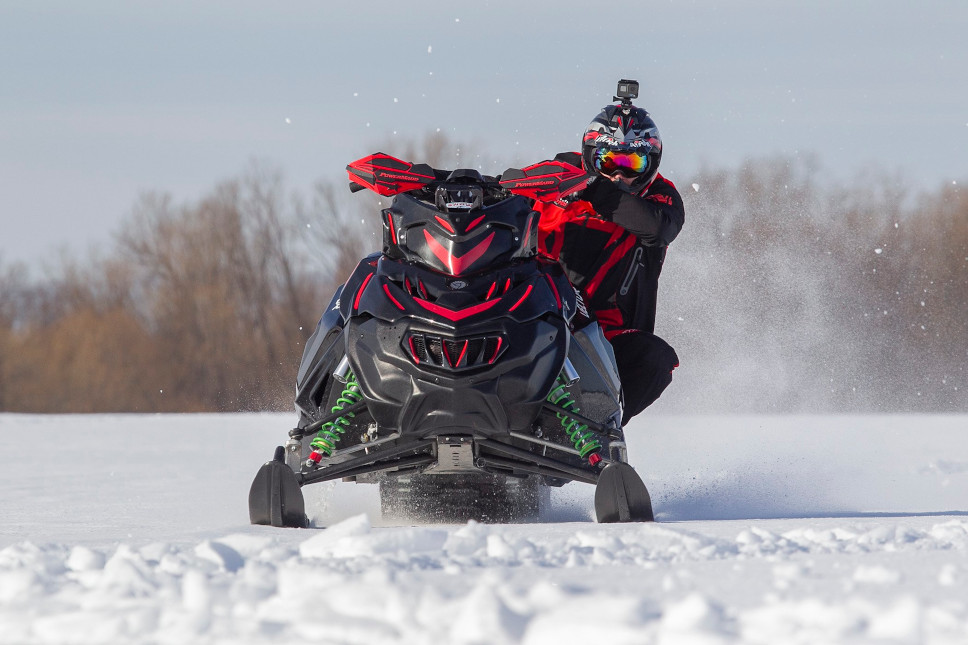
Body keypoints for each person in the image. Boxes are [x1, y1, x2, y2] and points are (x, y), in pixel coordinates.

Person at [531, 82, 684, 424]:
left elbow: (659, 227)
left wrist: (593, 189)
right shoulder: (555, 179)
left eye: (632, 164)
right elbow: (506, 200)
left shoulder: (660, 198)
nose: (618, 174)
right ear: (590, 156)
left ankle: (599, 428)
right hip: (533, 318)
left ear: (650, 165)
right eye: (609, 161)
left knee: (656, 359)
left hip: (601, 339)